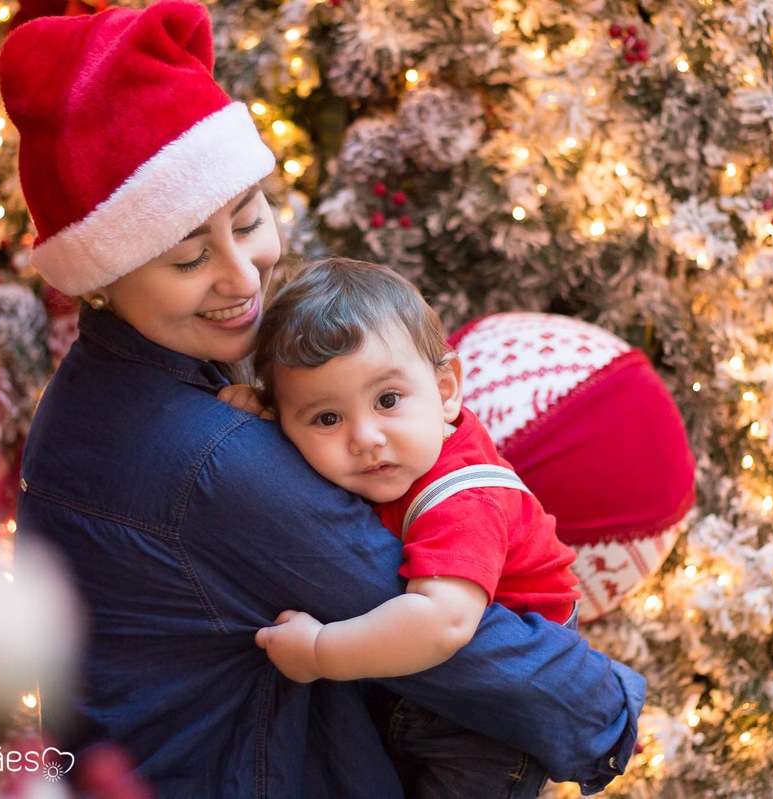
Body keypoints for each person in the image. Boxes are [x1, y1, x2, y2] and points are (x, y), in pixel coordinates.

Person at [0, 2, 644, 797]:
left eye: (249, 220)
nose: (242, 278)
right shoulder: (211, 460)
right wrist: (610, 708)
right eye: (190, 257)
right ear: (103, 273)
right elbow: (447, 635)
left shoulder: (114, 384)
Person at [222, 257, 583, 797]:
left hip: (490, 720)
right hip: (419, 683)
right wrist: (260, 422)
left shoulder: (464, 499)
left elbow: (442, 623)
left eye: (388, 400)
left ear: (445, 390)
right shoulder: (389, 457)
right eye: (326, 418)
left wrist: (321, 651)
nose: (365, 437)